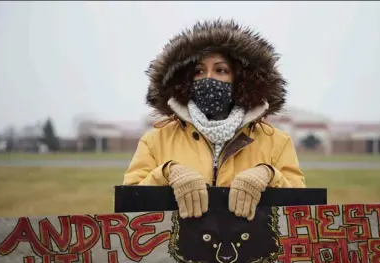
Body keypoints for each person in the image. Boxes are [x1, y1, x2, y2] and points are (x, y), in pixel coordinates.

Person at [123, 19, 305, 221]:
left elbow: (301, 212)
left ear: (241, 79)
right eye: (199, 71)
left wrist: (269, 175)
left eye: (221, 70)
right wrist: (166, 173)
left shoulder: (277, 143)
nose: (208, 78)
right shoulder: (155, 141)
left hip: (252, 250)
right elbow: (129, 206)